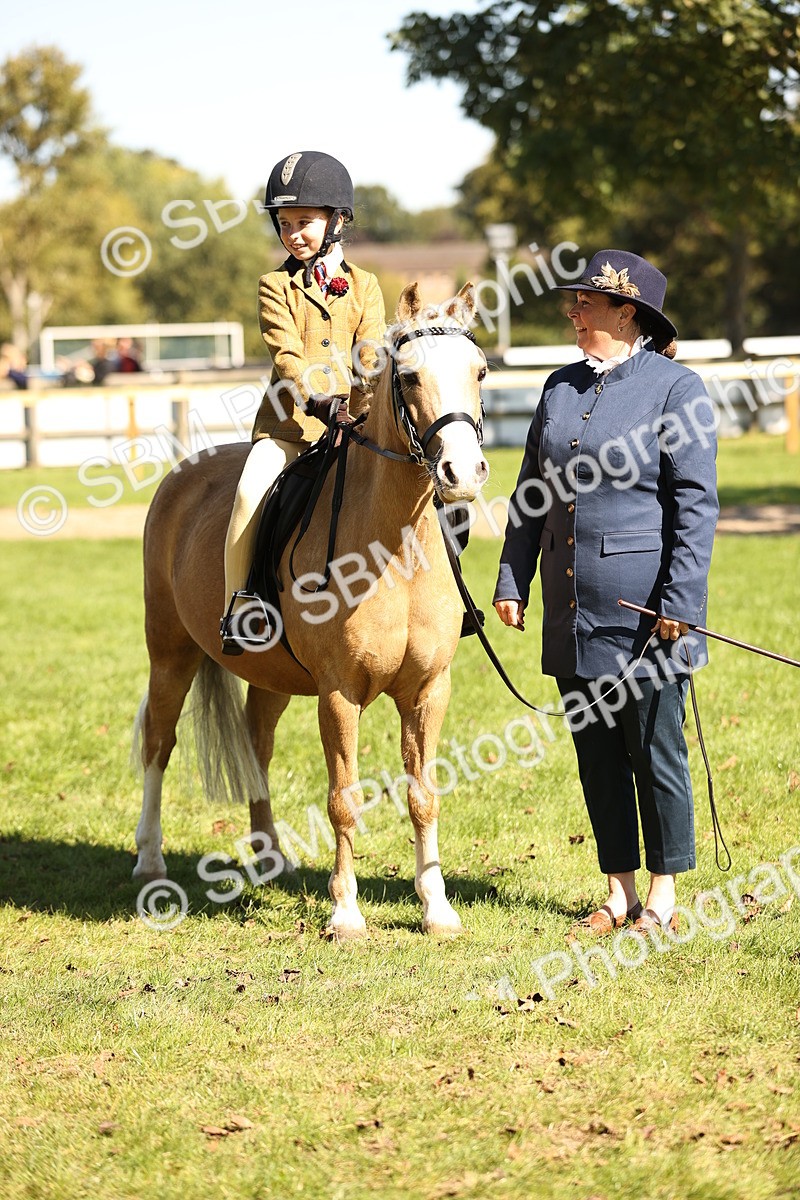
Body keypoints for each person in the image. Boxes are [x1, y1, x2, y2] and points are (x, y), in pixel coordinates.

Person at [493, 249, 719, 937]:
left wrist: (680, 602)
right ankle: (618, 892)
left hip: (647, 614)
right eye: (575, 301)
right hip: (571, 609)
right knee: (595, 754)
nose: (573, 311)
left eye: (586, 303)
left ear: (628, 313)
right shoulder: (559, 388)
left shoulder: (677, 390)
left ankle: (661, 897)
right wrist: (512, 576)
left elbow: (697, 505)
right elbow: (530, 495)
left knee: (656, 753)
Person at [220, 151, 386, 654]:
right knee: (250, 495)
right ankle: (242, 605)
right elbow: (286, 352)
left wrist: (357, 406)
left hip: (354, 428)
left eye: (305, 222)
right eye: (286, 224)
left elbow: (372, 356)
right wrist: (318, 401)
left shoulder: (365, 286)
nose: (294, 234)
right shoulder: (274, 286)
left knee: (426, 485)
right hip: (291, 430)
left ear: (336, 221)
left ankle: (452, 597)